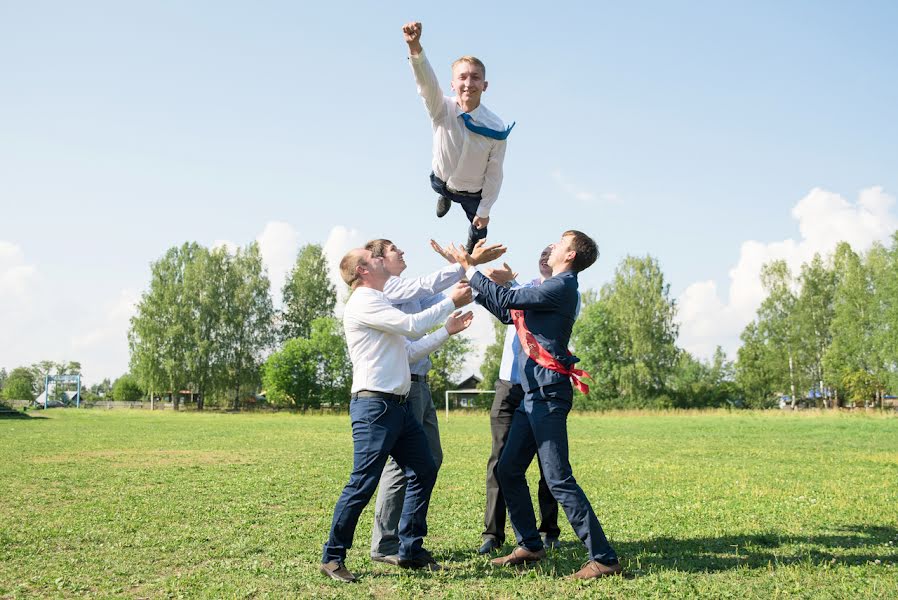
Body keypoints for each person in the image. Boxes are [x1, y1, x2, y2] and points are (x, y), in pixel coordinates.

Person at [447, 231, 623, 580]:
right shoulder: (553, 288)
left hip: (547, 395)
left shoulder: (561, 286)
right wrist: (478, 290)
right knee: (509, 469)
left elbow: (510, 296)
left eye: (560, 242)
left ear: (570, 254)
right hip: (532, 395)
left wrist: (471, 270)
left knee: (558, 479)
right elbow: (508, 310)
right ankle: (530, 544)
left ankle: (603, 558)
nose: (553, 246)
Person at [319, 247, 475, 583]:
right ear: (362, 270)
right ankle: (333, 557)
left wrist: (447, 329)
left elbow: (410, 349)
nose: (379, 257)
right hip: (374, 407)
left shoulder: (379, 303)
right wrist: (450, 301)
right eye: (372, 256)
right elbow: (411, 326)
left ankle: (410, 549)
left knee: (423, 467)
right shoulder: (364, 301)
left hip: (398, 406)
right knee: (363, 482)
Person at [366, 238, 506, 565]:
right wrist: (465, 260)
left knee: (430, 458)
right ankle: (387, 543)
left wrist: (467, 265)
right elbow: (430, 287)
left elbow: (448, 292)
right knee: (403, 465)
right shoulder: (392, 288)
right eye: (394, 249)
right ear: (380, 261)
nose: (403, 251)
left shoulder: (412, 294)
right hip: (405, 387)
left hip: (421, 385)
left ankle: (406, 535)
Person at [477, 246, 562, 555]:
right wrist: (479, 280)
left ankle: (548, 530)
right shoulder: (522, 286)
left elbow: (521, 304)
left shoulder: (560, 293)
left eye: (552, 251)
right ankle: (492, 533)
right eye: (542, 251)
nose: (545, 255)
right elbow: (502, 306)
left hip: (537, 387)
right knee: (499, 459)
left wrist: (506, 283)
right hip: (508, 385)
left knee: (546, 460)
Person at [402, 21, 512, 254]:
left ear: (485, 85)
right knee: (438, 187)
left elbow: (495, 172)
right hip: (441, 180)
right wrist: (415, 48)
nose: (468, 83)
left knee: (481, 228)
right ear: (453, 84)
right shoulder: (441, 109)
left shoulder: (495, 127)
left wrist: (484, 210)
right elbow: (426, 83)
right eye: (462, 77)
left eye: (475, 78)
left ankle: (472, 249)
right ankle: (445, 197)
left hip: (473, 192)